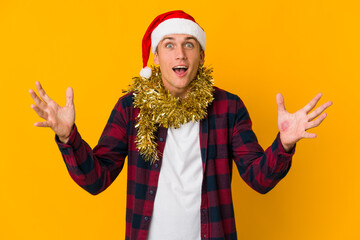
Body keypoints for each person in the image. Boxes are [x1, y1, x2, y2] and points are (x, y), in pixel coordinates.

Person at [29, 10, 332, 240]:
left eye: (189, 44)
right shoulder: (130, 107)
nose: (180, 53)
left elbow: (258, 179)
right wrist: (68, 137)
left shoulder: (228, 107)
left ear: (200, 55)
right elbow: (97, 179)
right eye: (169, 44)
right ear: (157, 57)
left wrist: (285, 143)